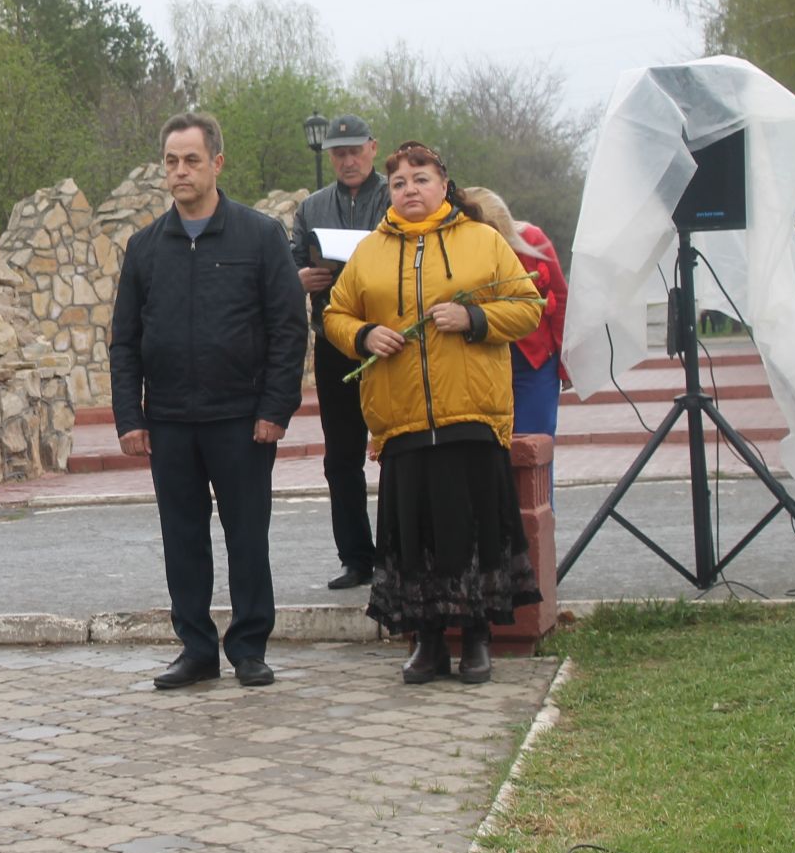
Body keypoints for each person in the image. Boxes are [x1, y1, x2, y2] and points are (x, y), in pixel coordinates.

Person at [321, 141, 543, 685]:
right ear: (388, 192)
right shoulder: (370, 252)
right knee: (415, 533)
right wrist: (365, 334)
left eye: (420, 179)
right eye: (399, 184)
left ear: (443, 185)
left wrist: (473, 318)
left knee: (471, 529)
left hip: (471, 414)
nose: (410, 190)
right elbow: (334, 316)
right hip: (403, 421)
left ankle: (476, 638)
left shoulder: (483, 240)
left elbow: (527, 307)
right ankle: (425, 642)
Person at [109, 111, 308, 690]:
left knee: (247, 535)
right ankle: (195, 649)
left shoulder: (260, 236)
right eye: (171, 161)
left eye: (192, 159)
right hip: (170, 422)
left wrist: (275, 408)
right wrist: (130, 416)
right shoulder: (145, 247)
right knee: (182, 539)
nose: (180, 171)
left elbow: (288, 329)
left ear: (217, 163)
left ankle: (248, 646)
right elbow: (125, 340)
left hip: (242, 419)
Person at [291, 113, 390, 590]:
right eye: (339, 153)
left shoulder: (396, 197)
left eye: (355, 150)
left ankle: (398, 551)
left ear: (373, 148)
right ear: (330, 156)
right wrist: (301, 280)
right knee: (341, 457)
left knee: (397, 448)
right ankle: (356, 557)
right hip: (333, 341)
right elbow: (289, 265)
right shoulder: (312, 209)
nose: (348, 160)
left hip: (391, 340)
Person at [462, 187, 569, 486]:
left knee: (532, 453)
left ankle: (538, 526)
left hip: (534, 365)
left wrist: (565, 364)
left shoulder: (532, 240)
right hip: (482, 363)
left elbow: (559, 299)